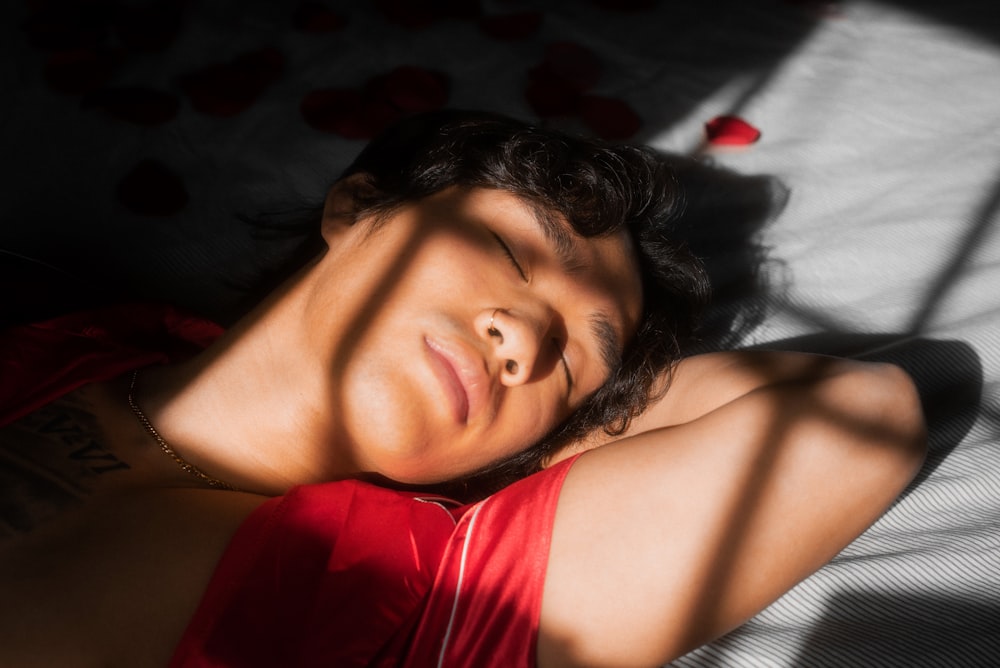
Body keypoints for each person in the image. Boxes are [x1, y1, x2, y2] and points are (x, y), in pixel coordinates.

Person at [0, 111, 926, 666]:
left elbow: (858, 419)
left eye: (569, 361)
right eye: (511, 251)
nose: (522, 335)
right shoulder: (82, 330)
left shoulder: (414, 585)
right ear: (357, 209)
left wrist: (558, 430)